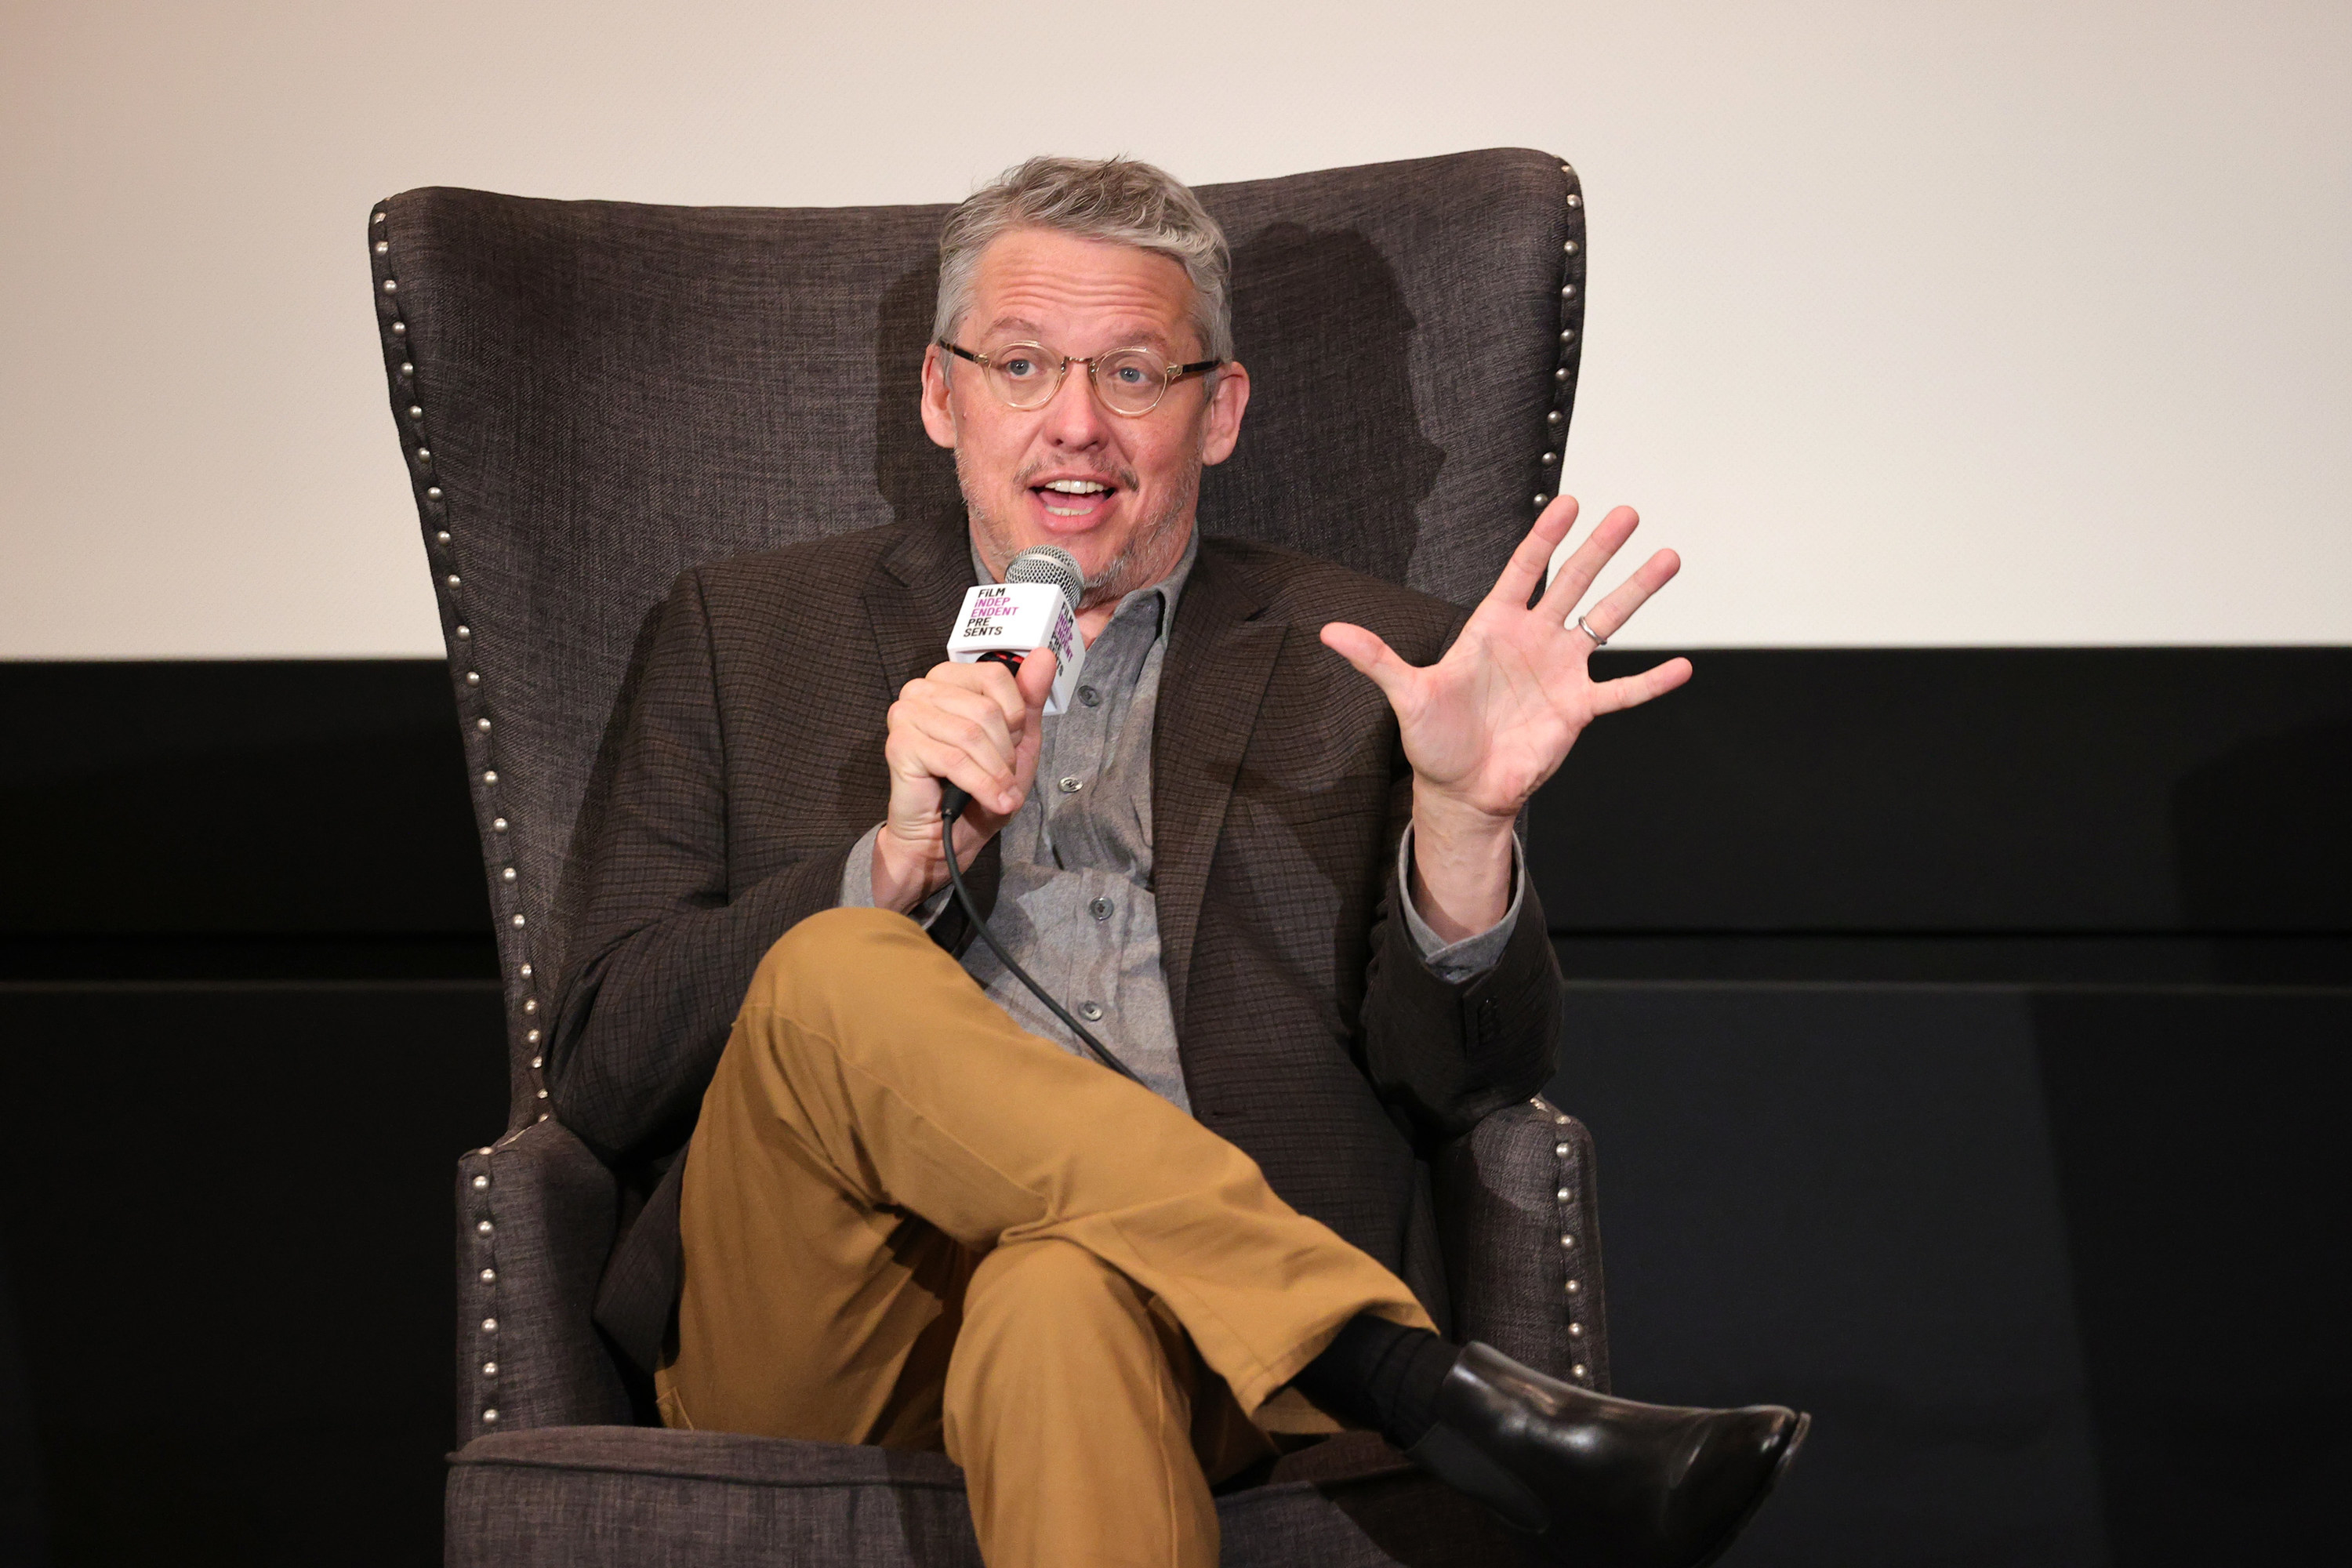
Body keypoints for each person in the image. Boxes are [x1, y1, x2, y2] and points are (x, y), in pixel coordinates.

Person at [550, 155, 1803, 1568]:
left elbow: (1468, 1084)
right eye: (1021, 364)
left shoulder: (1371, 662)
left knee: (1061, 1289)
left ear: (1220, 411)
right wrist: (889, 863)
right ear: (939, 394)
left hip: (1192, 1347)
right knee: (840, 958)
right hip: (826, 1321)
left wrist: (1465, 823)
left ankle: (1321, 1341)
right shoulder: (745, 634)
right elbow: (597, 1065)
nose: (1076, 424)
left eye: (1136, 375)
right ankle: (1401, 1375)